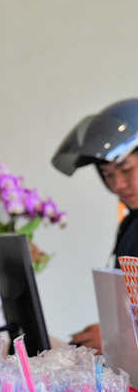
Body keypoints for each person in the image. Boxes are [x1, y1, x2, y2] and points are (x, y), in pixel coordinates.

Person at [52, 99, 138, 352]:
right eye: (108, 175)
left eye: (126, 170)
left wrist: (117, 338)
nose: (117, 185)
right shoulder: (131, 223)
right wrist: (114, 334)